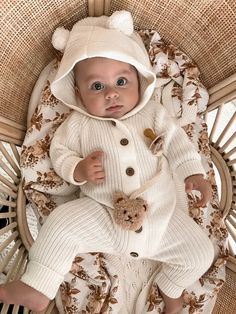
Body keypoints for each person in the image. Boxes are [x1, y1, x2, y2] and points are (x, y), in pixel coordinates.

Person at [0, 11, 214, 314]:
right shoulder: (78, 124)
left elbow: (179, 144)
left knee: (200, 254)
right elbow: (59, 153)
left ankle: (171, 288)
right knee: (61, 225)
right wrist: (78, 169)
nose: (111, 93)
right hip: (103, 213)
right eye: (97, 87)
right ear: (78, 94)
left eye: (121, 81)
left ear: (140, 80)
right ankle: (37, 286)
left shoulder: (152, 113)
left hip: (162, 218)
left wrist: (194, 173)